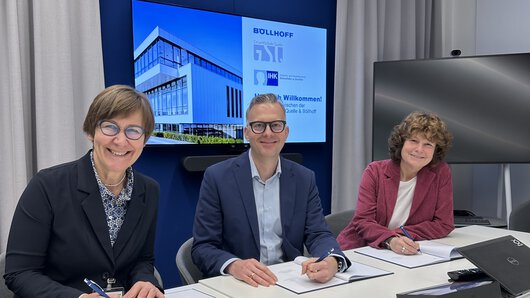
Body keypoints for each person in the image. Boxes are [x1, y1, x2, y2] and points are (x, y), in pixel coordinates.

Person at [4, 85, 164, 298]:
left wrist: (146, 281)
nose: (121, 140)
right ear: (90, 131)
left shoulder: (148, 190)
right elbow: (20, 273)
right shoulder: (47, 185)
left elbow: (143, 260)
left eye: (133, 131)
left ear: (144, 139)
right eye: (110, 127)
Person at [192, 93, 351, 287]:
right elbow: (203, 247)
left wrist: (332, 260)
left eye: (276, 125)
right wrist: (235, 265)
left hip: (289, 282)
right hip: (240, 284)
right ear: (246, 132)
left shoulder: (304, 178)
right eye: (259, 126)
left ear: (286, 132)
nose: (268, 133)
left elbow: (318, 234)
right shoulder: (217, 177)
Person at [337, 111, 454, 254]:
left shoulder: (440, 172)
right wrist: (390, 239)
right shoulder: (375, 171)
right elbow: (363, 221)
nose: (419, 149)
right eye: (413, 141)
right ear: (401, 142)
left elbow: (444, 224)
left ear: (436, 150)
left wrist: (400, 234)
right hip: (360, 249)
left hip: (404, 252)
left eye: (428, 144)